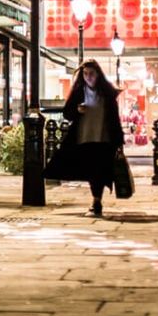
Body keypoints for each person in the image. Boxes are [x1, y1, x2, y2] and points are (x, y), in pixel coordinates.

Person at [44, 59, 124, 217]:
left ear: (98, 74)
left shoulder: (107, 94)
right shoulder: (79, 91)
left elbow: (115, 119)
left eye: (91, 73)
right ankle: (96, 200)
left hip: (104, 138)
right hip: (83, 137)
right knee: (91, 170)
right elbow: (67, 113)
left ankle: (96, 200)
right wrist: (77, 110)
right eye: (85, 74)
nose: (88, 77)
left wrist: (119, 140)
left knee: (99, 171)